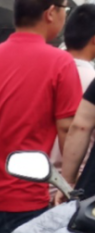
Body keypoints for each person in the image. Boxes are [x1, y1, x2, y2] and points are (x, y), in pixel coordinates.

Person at [0, 0, 80, 233]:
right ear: (50, 12)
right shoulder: (61, 62)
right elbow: (69, 128)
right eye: (64, 7)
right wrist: (68, 184)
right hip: (25, 201)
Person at [51, 3, 95, 181]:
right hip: (76, 187)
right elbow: (79, 128)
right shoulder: (91, 80)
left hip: (32, 185)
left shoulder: (42, 72)